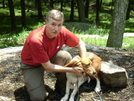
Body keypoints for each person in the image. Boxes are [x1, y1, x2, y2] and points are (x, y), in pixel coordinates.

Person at [20, 9, 87, 101]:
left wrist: (84, 62)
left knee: (65, 56)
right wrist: (72, 69)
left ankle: (62, 86)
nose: (56, 29)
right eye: (53, 24)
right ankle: (34, 84)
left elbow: (80, 43)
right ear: (46, 22)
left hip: (48, 58)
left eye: (59, 25)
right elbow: (47, 66)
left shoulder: (63, 31)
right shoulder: (36, 39)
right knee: (38, 98)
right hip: (31, 65)